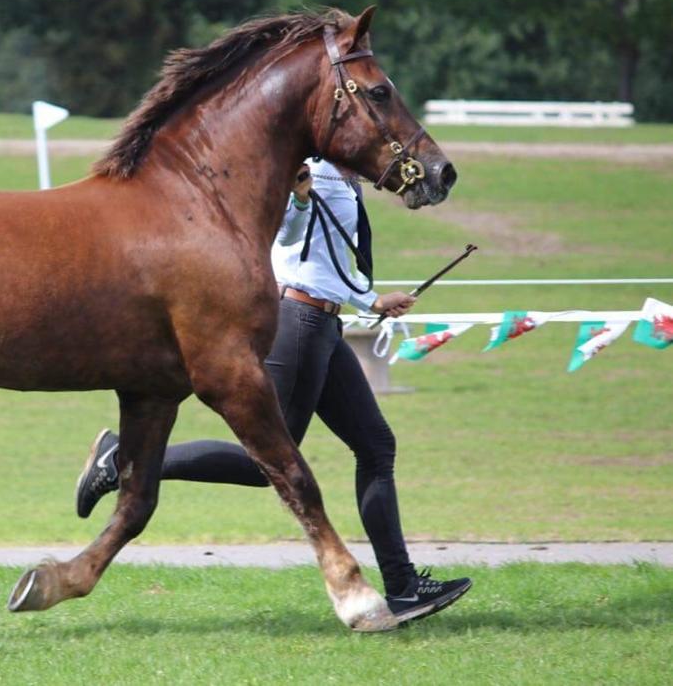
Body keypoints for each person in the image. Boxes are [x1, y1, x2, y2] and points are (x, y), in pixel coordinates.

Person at [74, 157, 471, 624]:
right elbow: (284, 238)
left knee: (376, 445)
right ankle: (121, 460)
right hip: (298, 323)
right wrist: (299, 198)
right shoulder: (309, 172)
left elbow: (324, 258)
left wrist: (371, 300)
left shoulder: (345, 177)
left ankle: (403, 586)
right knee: (265, 463)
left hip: (323, 322)